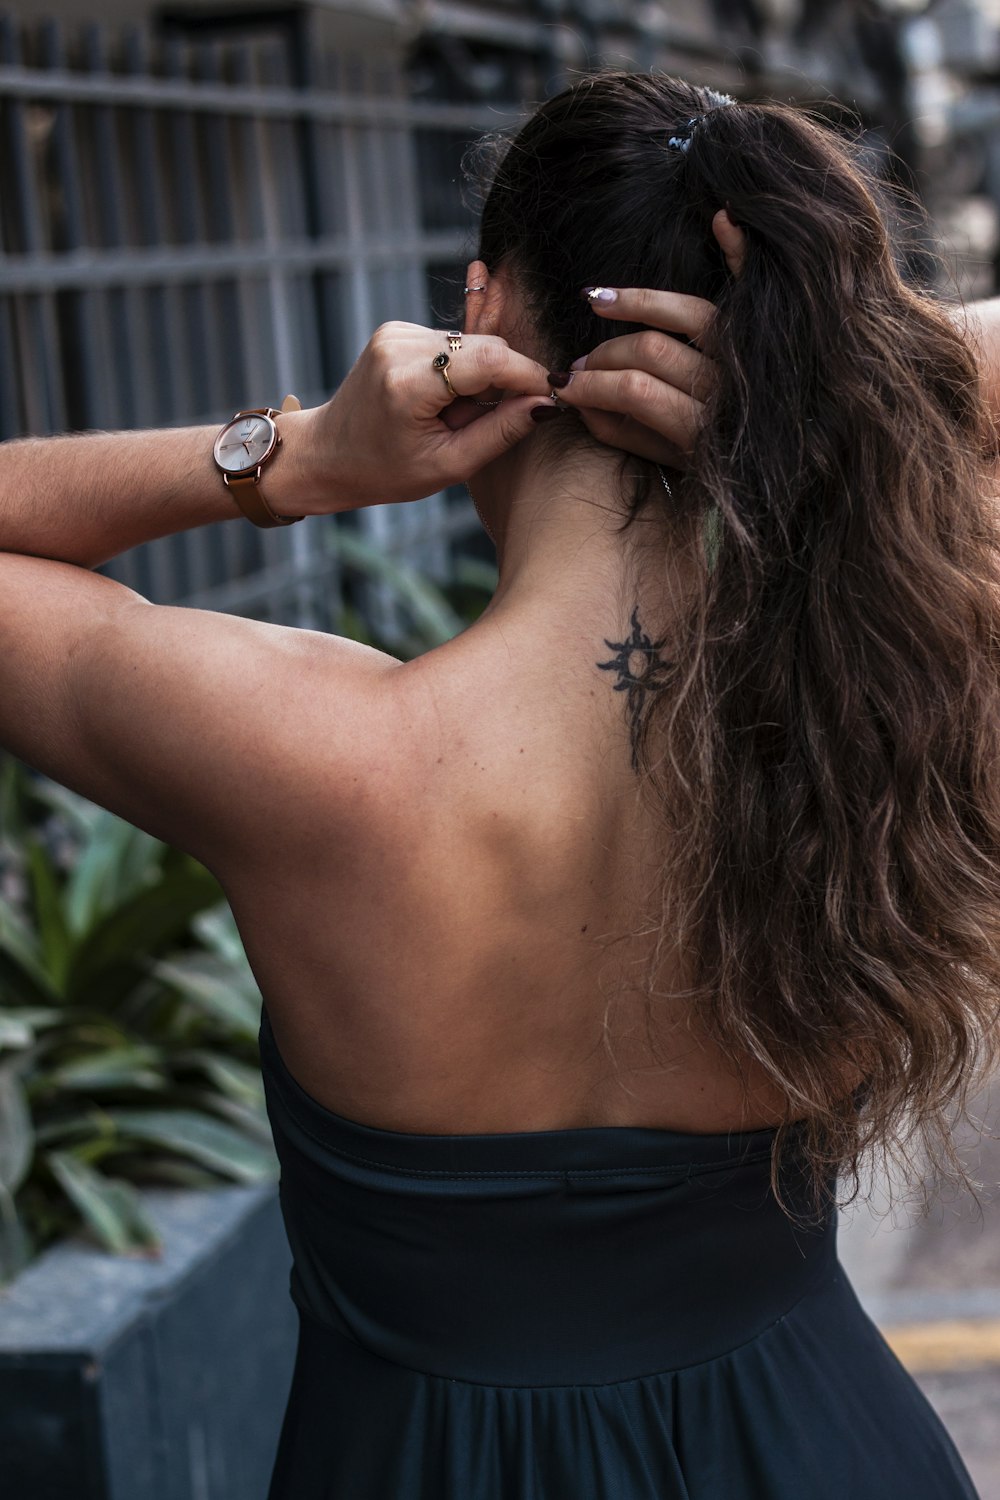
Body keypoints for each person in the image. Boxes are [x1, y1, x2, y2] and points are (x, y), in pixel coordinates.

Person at [0, 70, 996, 1499]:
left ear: (477, 317)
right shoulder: (892, 709)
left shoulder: (313, 759)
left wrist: (287, 458)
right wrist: (867, 380)